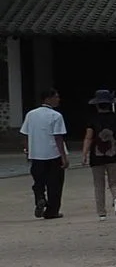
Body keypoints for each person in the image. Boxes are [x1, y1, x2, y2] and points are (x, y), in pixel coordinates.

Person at [83, 89, 116, 219]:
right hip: (114, 154)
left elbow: (88, 137)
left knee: (99, 184)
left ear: (97, 105)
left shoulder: (92, 119)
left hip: (96, 155)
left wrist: (85, 153)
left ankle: (102, 213)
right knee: (115, 182)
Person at [22, 87, 68, 220]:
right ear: (49, 98)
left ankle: (40, 198)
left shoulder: (31, 114)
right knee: (55, 184)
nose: (58, 99)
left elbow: (24, 135)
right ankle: (52, 211)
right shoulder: (56, 116)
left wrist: (28, 150)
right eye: (56, 97)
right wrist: (63, 156)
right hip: (53, 154)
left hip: (36, 154)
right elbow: (58, 137)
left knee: (38, 181)